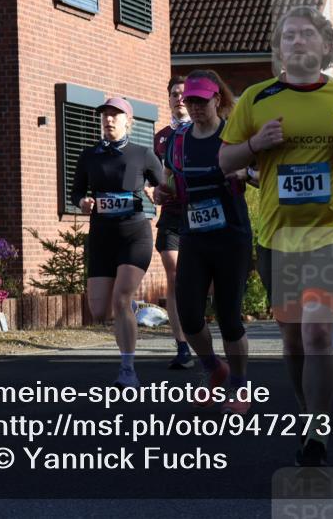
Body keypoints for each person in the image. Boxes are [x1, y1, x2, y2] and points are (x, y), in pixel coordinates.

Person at [219, 5, 333, 465]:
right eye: (287, 35)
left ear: (326, 47)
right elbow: (224, 162)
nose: (295, 41)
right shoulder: (257, 98)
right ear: (279, 50)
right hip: (277, 237)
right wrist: (255, 145)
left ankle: (318, 432)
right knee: (292, 341)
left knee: (316, 334)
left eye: (305, 34)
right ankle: (306, 408)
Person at [154, 71, 254, 414]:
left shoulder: (233, 136)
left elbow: (259, 172)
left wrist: (244, 174)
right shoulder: (179, 141)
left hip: (231, 236)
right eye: (189, 101)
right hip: (194, 234)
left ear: (218, 100)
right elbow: (168, 180)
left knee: (229, 317)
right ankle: (214, 368)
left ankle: (240, 387)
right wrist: (160, 191)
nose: (194, 107)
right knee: (189, 313)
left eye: (201, 100)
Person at [71, 96, 163, 388]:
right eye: (105, 115)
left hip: (134, 234)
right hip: (101, 236)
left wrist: (155, 192)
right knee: (100, 310)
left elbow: (165, 186)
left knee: (120, 298)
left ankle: (128, 369)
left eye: (115, 115)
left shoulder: (143, 154)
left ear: (128, 121)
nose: (109, 120)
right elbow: (75, 192)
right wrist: (83, 202)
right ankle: (130, 311)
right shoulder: (89, 156)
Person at [153, 75, 194, 369]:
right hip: (171, 212)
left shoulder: (206, 131)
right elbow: (159, 178)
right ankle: (182, 344)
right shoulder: (161, 136)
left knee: (197, 280)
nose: (178, 98)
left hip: (202, 212)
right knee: (175, 273)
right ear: (168, 99)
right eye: (174, 94)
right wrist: (156, 191)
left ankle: (199, 332)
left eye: (183, 93)